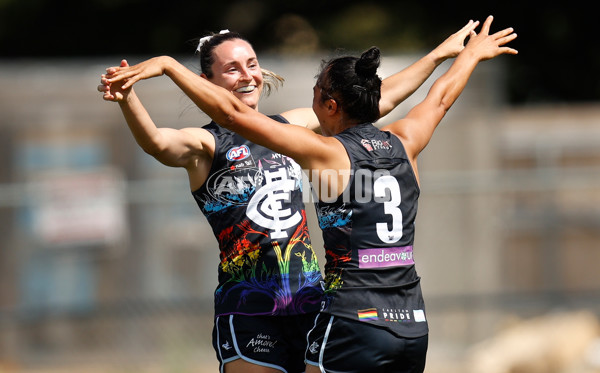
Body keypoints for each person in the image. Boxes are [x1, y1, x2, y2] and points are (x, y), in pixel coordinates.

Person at [99, 22, 483, 373]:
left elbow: (370, 101)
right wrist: (127, 97)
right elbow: (156, 143)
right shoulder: (205, 143)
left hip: (313, 302)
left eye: (251, 63)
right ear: (206, 81)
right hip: (251, 308)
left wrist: (436, 56)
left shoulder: (292, 127)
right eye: (232, 68)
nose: (247, 74)